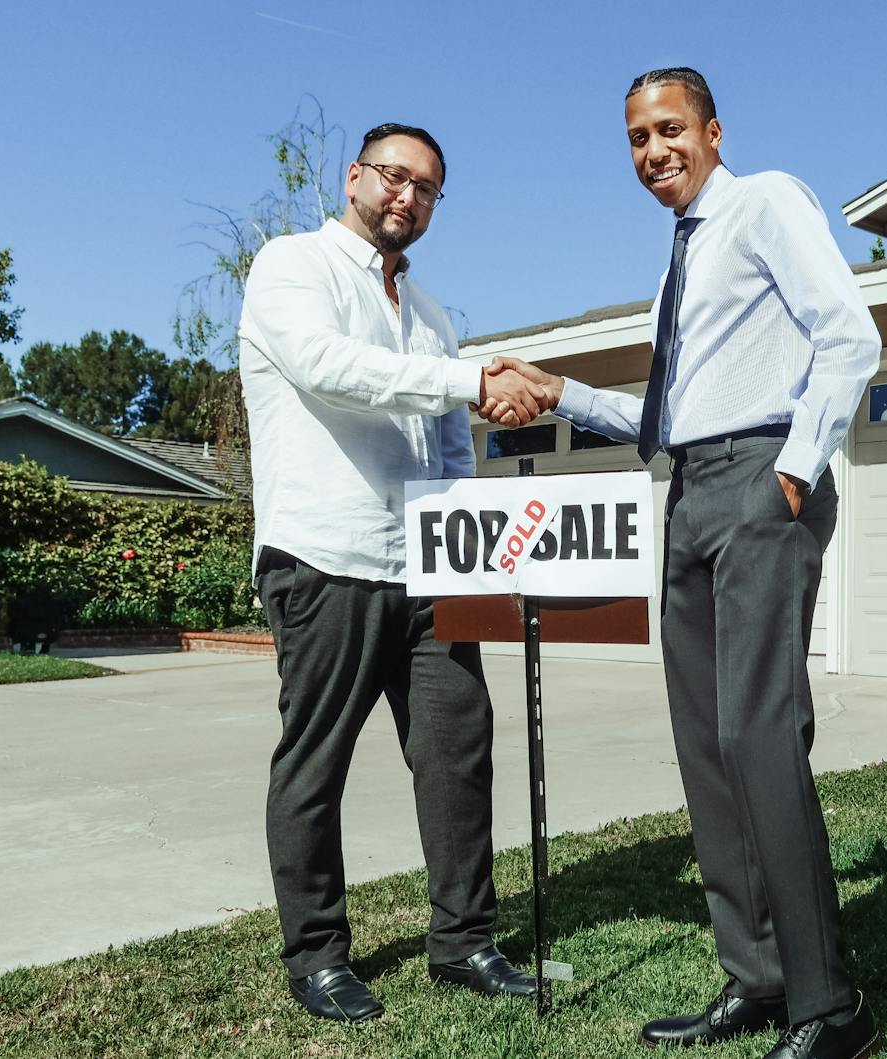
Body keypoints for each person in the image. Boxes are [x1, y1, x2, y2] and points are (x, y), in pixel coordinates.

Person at [481, 69, 883, 1059]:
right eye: (635, 138)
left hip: (759, 478)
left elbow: (850, 337)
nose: (652, 150)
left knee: (755, 732)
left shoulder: (762, 202)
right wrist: (561, 390)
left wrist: (792, 474)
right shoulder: (679, 261)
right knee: (705, 746)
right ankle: (755, 977)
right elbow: (666, 421)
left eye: (669, 129)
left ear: (711, 130)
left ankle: (831, 1009)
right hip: (692, 486)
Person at [238, 121, 547, 1023]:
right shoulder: (290, 267)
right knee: (315, 761)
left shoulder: (434, 314)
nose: (406, 197)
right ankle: (318, 954)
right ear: (354, 178)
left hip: (428, 566)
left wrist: (473, 548)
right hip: (324, 555)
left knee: (458, 749)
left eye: (426, 189)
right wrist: (466, 378)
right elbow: (328, 369)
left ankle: (463, 940)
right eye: (393, 176)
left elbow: (451, 446)